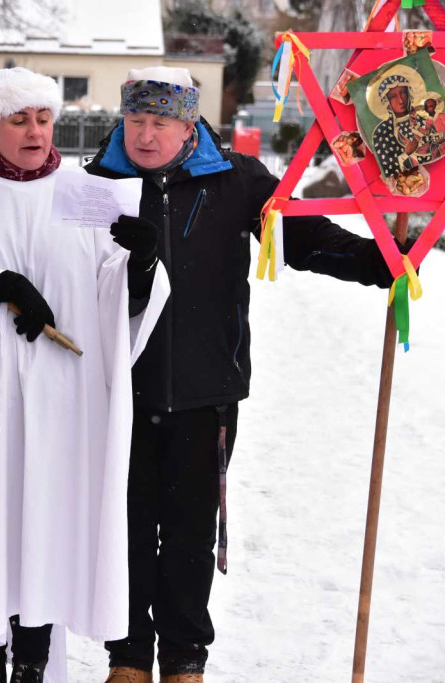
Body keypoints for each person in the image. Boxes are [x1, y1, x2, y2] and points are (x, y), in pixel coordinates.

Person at [84, 66, 404, 683]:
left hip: (208, 391)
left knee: (189, 533)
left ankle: (183, 658)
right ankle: (126, 658)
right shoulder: (99, 184)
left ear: (188, 125)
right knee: (122, 528)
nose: (145, 136)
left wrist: (378, 262)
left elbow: (303, 237)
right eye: (135, 120)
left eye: (160, 122)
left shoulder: (235, 181)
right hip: (117, 391)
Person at [0, 67, 170, 683]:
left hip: (59, 394)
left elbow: (112, 288)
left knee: (43, 525)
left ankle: (35, 663)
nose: (35, 131)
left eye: (43, 119)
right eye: (19, 120)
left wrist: (144, 262)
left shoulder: (84, 192)